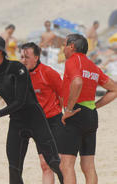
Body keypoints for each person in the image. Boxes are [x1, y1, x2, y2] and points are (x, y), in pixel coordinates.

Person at [0, 34, 63, 184]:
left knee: (54, 163)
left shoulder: (18, 68)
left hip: (36, 119)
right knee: (14, 170)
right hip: (17, 122)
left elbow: (20, 101)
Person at [60, 34, 117, 184]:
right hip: (91, 115)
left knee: (66, 165)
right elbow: (114, 89)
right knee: (88, 165)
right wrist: (94, 106)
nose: (63, 48)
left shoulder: (73, 60)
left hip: (75, 114)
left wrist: (69, 110)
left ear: (72, 46)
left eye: (64, 44)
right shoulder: (93, 66)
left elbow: (77, 82)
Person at [20, 42, 64, 184]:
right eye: (22, 57)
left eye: (27, 57)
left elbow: (63, 95)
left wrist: (64, 115)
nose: (23, 60)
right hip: (37, 123)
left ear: (36, 57)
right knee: (45, 164)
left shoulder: (48, 72)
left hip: (54, 121)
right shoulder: (21, 74)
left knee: (57, 163)